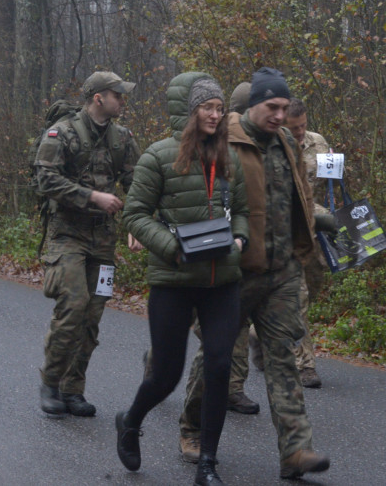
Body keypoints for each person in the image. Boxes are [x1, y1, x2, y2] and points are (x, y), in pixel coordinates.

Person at [180, 68, 331, 480]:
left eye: (285, 107)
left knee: (282, 354)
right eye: (273, 107)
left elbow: (299, 194)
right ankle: (192, 428)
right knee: (216, 356)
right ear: (253, 106)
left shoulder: (285, 142)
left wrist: (313, 234)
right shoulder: (221, 141)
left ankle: (296, 451)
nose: (281, 115)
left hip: (282, 271)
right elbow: (190, 194)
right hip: (233, 273)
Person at [115, 73, 249, 486]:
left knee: (219, 366)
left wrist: (241, 237)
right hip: (173, 280)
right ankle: (131, 419)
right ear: (190, 112)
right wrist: (172, 247)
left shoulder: (231, 158)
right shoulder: (158, 157)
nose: (216, 114)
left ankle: (207, 463)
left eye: (219, 107)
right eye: (208, 107)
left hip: (222, 281)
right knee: (166, 375)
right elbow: (135, 214)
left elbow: (242, 208)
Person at [33, 70, 140, 417]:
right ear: (99, 98)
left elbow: (136, 182)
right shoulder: (61, 133)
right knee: (74, 305)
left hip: (103, 241)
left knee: (92, 317)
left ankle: (73, 388)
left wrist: (136, 222)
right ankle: (50, 383)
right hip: (67, 235)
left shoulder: (122, 138)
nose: (123, 101)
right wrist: (91, 196)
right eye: (118, 95)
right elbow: (45, 179)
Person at [281, 98, 330, 388]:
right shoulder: (278, 148)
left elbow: (329, 184)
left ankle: (257, 336)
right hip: (288, 233)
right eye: (294, 128)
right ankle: (305, 365)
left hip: (313, 232)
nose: (300, 133)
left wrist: (338, 168)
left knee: (313, 289)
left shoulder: (318, 143)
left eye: (303, 127)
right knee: (299, 299)